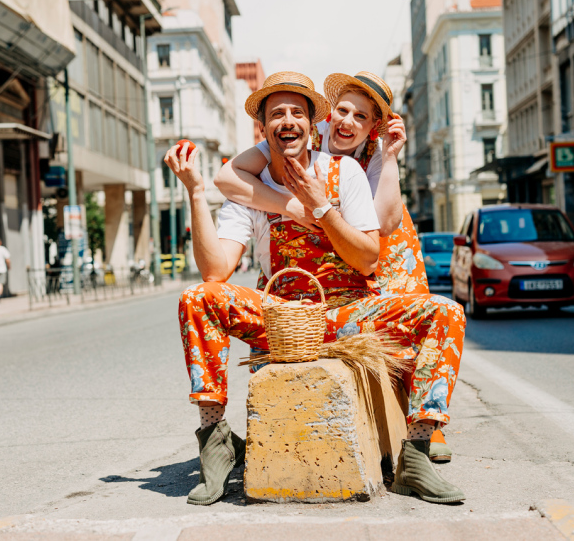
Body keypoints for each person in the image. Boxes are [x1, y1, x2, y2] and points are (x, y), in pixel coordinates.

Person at [167, 72, 466, 506]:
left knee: (446, 312)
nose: (287, 120)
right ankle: (215, 442)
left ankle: (416, 455)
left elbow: (367, 257)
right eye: (276, 114)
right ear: (263, 128)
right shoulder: (249, 191)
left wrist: (322, 207)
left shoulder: (343, 171)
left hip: (347, 315)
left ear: (312, 125)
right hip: (281, 317)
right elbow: (216, 270)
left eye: (296, 113)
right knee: (197, 297)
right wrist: (196, 192)